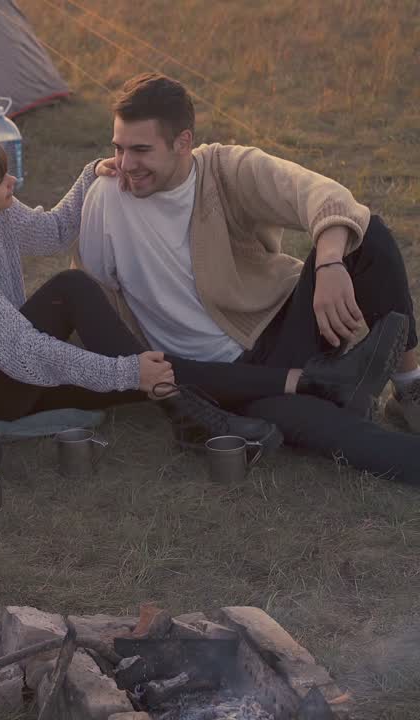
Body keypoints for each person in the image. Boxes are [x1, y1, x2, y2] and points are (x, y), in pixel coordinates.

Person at [0, 128, 393, 449]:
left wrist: (92, 173)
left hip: (25, 363)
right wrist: (126, 371)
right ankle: (188, 407)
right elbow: (20, 352)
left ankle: (298, 384)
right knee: (77, 292)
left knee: (146, 373)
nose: (13, 180)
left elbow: (54, 232)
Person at [76, 72, 420, 482]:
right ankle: (335, 387)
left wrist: (329, 264)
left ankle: (409, 386)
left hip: (282, 326)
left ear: (183, 142)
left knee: (368, 234)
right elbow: (98, 298)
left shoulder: (224, 170)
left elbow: (320, 194)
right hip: (222, 383)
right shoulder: (105, 198)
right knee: (331, 428)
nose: (126, 165)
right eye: (118, 147)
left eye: (141, 150)